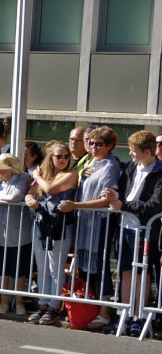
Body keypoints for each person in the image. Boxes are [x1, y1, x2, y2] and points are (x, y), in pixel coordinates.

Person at [59, 126, 121, 330]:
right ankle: (87, 309)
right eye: (91, 143)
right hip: (85, 223)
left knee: (100, 267)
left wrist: (75, 206)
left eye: (99, 144)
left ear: (110, 146)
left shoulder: (111, 166)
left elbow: (105, 200)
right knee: (85, 268)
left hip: (100, 222)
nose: (93, 146)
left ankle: (104, 313)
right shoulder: (92, 161)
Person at [105, 131, 162, 338]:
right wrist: (113, 195)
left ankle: (138, 315)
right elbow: (121, 190)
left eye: (133, 151)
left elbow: (155, 205)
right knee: (125, 272)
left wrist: (124, 205)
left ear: (147, 152)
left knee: (142, 273)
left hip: (145, 230)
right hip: (125, 227)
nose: (130, 154)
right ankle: (125, 315)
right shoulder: (130, 168)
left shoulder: (160, 172)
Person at [24, 140, 79, 326]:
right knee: (42, 266)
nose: (63, 159)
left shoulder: (71, 174)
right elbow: (30, 192)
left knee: (56, 267)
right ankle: (42, 302)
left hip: (60, 224)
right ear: (51, 158)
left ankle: (54, 305)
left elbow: (51, 189)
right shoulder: (45, 174)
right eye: (59, 156)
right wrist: (30, 199)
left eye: (66, 156)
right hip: (41, 222)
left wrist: (37, 175)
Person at [0, 154, 32, 317]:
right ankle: (4, 301)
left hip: (19, 233)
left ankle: (19, 302)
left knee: (19, 271)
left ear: (11, 169)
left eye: (1, 167)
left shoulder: (23, 178)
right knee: (1, 270)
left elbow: (16, 197)